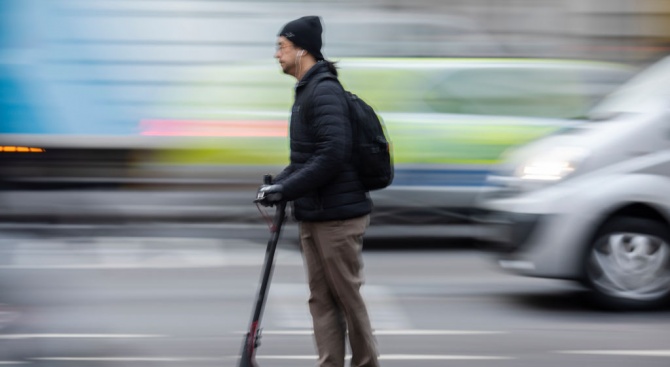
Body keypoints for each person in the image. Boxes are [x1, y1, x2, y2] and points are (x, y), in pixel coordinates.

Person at [257, 15, 380, 367]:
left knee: (346, 298)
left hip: (338, 218)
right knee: (321, 300)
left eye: (282, 47)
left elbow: (333, 155)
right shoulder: (307, 91)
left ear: (302, 50)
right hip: (315, 213)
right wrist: (277, 186)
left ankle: (367, 363)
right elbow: (306, 158)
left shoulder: (323, 91)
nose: (276, 55)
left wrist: (288, 188)